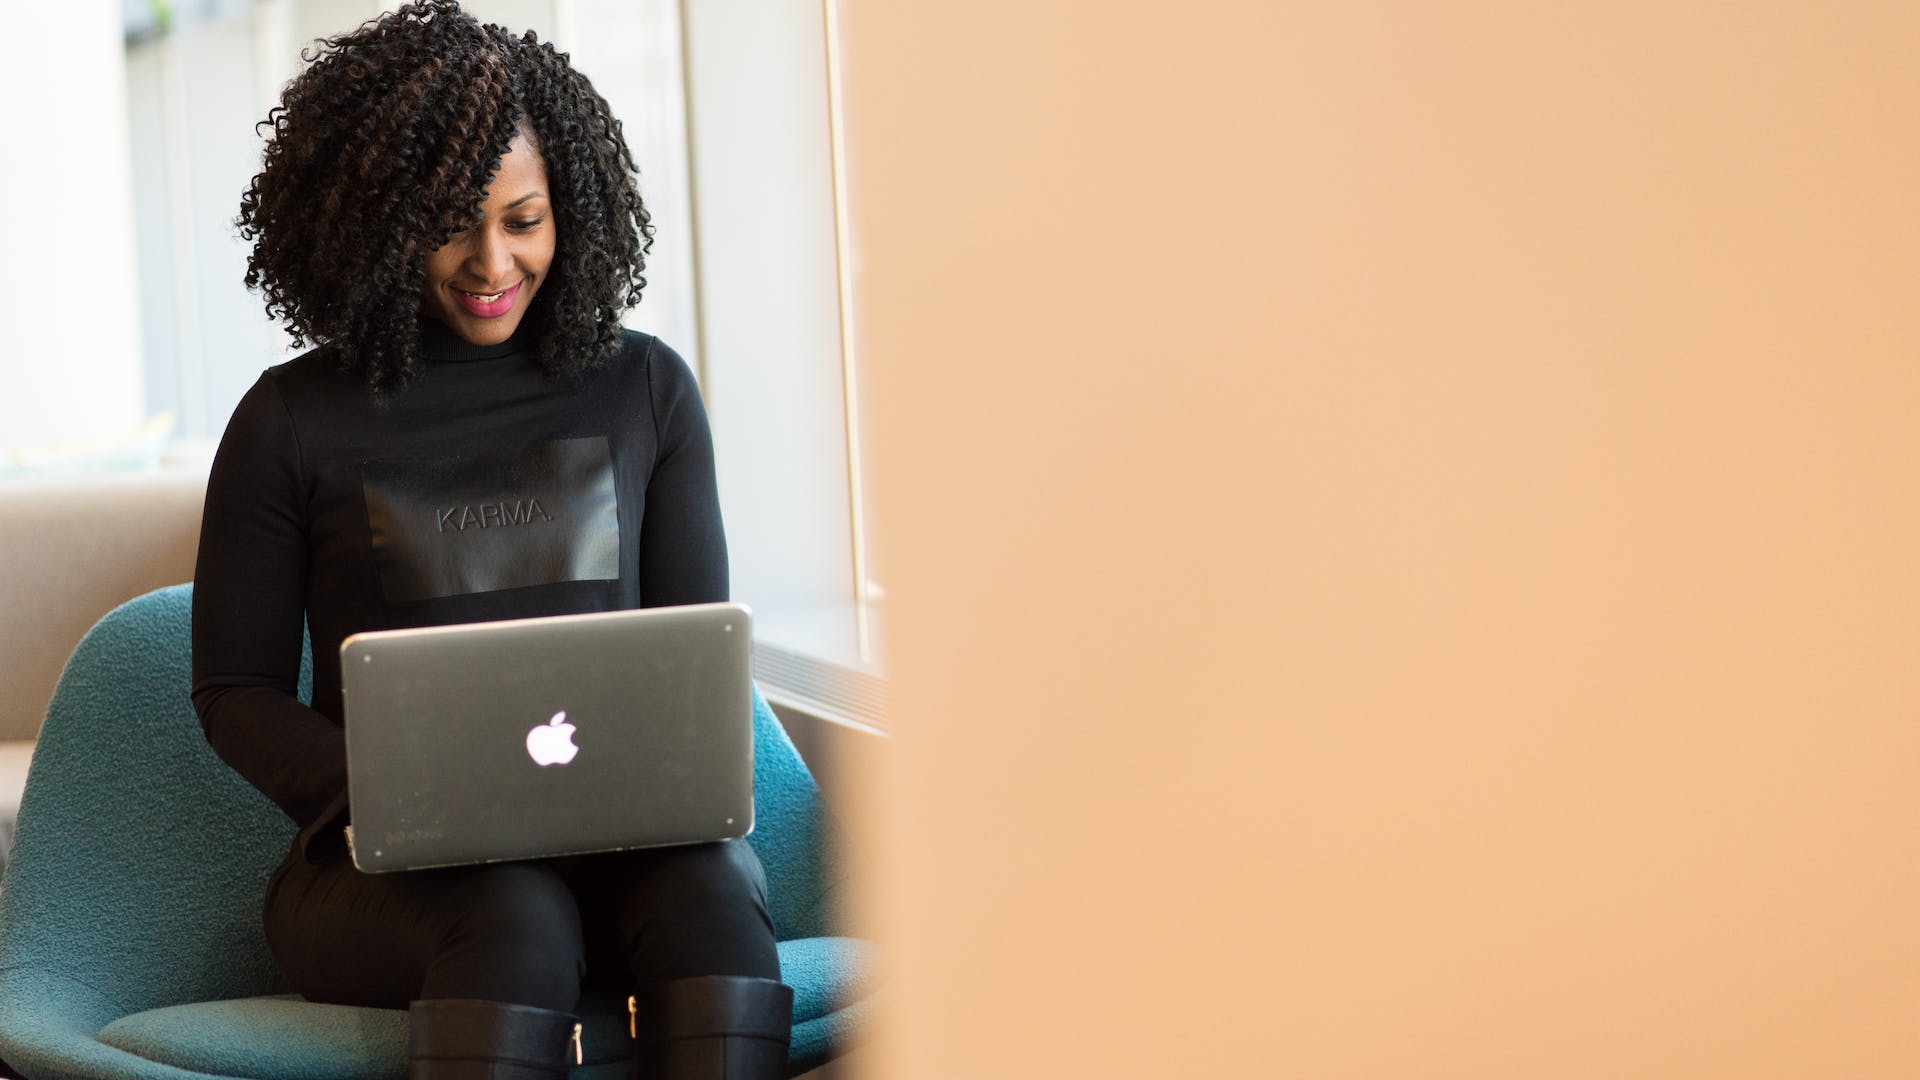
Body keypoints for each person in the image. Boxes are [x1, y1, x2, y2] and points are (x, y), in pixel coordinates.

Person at [189, 3, 791, 1076]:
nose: (490, 260)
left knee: (708, 896)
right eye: (449, 222)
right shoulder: (289, 419)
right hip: (386, 877)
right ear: (374, 222)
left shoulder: (646, 390)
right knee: (515, 912)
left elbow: (694, 660)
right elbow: (233, 693)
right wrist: (405, 798)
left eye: (525, 219)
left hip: (631, 854)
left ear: (573, 211)